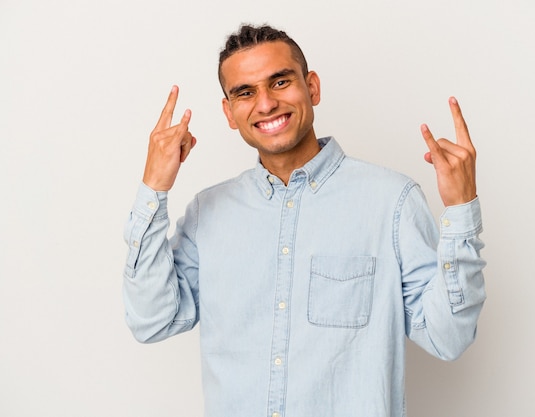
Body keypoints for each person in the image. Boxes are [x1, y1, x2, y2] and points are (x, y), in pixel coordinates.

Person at [123, 24, 486, 417]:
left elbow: (448, 338)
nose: (265, 104)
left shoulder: (391, 202)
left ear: (312, 87)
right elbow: (152, 321)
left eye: (279, 82)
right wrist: (154, 188)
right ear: (229, 112)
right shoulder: (205, 214)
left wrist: (461, 210)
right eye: (245, 92)